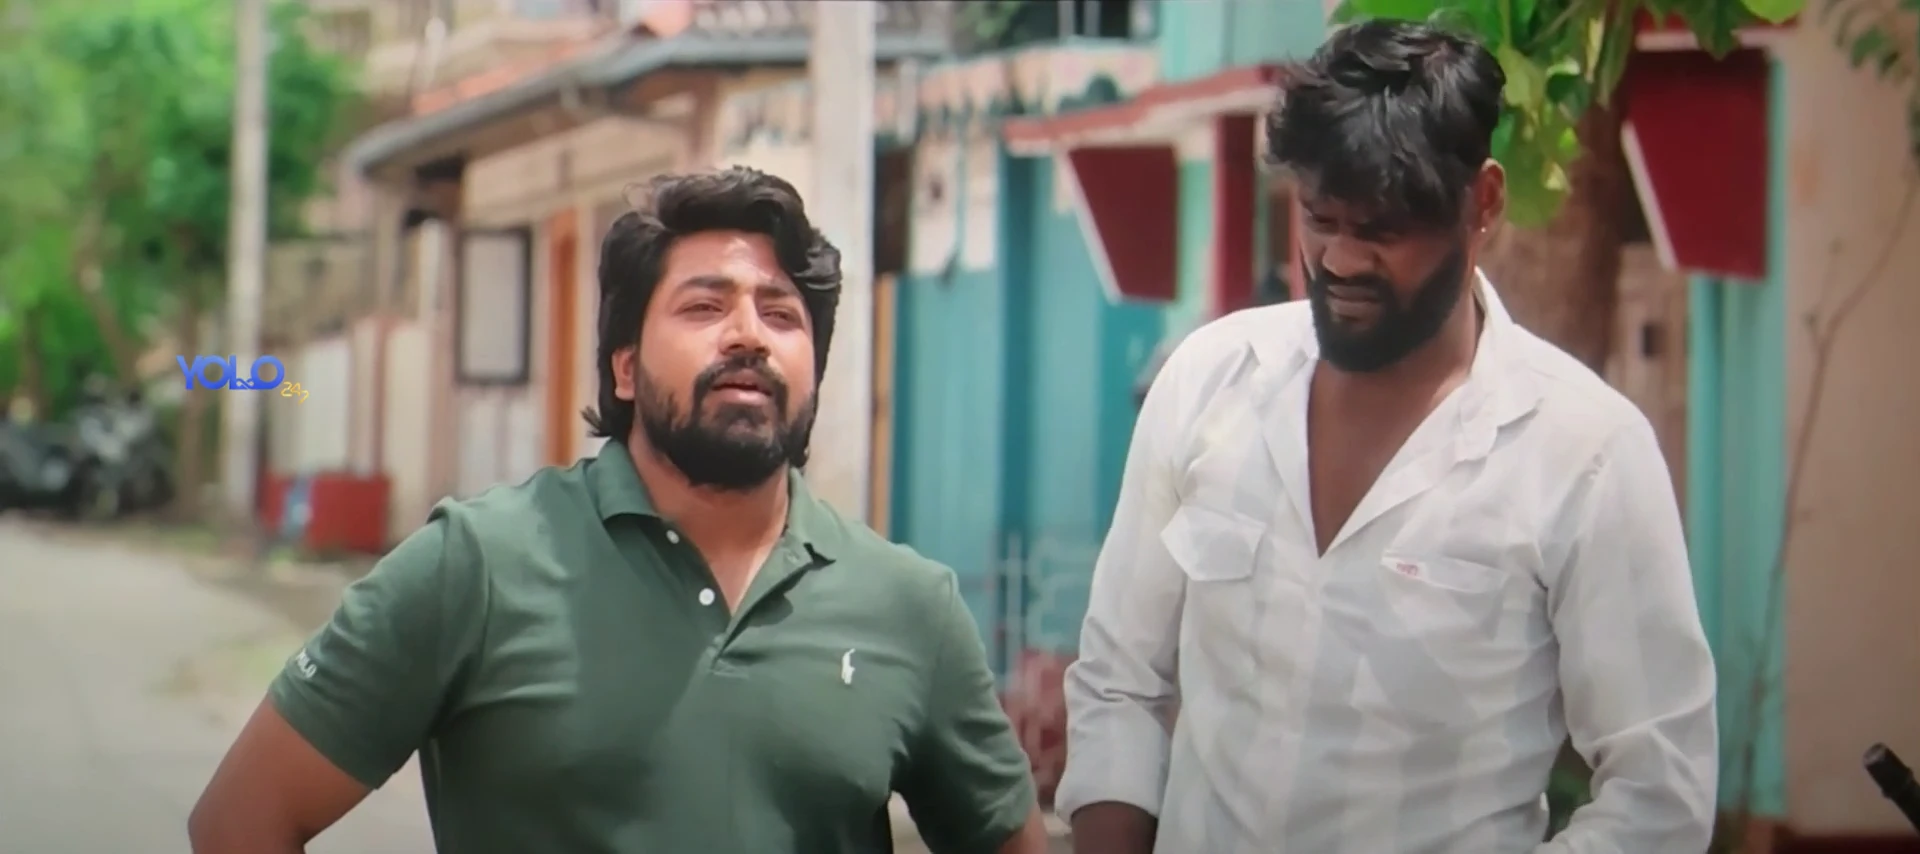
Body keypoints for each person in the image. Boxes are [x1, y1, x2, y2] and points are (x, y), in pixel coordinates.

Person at [189, 167, 1052, 854]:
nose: (748, 334)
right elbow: (242, 818)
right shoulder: (480, 564)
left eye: (781, 314)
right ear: (626, 368)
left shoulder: (908, 607)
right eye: (705, 305)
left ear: (815, 371)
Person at [1057, 20, 1717, 854]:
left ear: (1483, 203)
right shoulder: (1208, 383)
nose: (1339, 260)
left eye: (1381, 231)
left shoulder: (1585, 454)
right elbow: (1119, 686)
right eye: (1320, 218)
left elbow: (1661, 796)